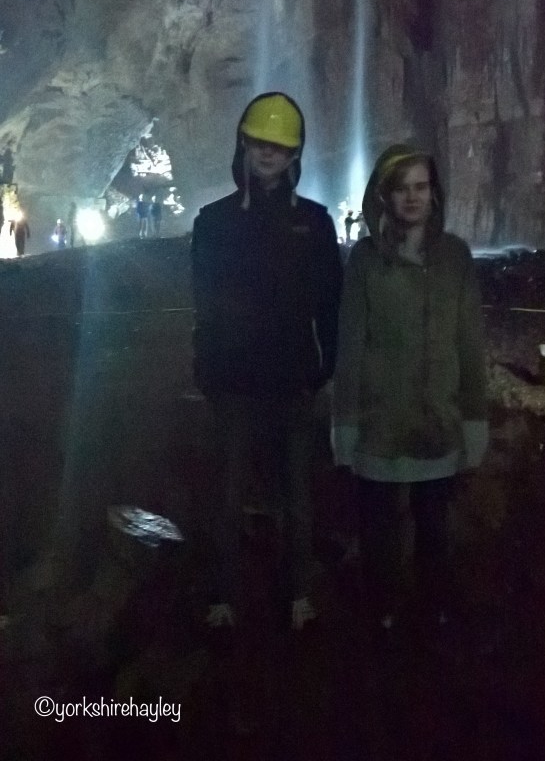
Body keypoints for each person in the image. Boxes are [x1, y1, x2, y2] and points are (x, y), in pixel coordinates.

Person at [191, 92, 343, 631]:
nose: (269, 152)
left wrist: (323, 368)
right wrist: (207, 368)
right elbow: (203, 303)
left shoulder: (316, 225)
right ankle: (222, 597)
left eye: (279, 145)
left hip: (292, 380)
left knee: (297, 494)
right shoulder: (214, 223)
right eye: (260, 142)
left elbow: (330, 305)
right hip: (234, 381)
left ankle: (299, 593)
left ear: (294, 153)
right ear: (244, 144)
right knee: (229, 494)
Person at [332, 144, 488, 632]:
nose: (412, 197)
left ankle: (433, 613)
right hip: (380, 420)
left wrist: (474, 416)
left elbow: (469, 343)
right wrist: (345, 421)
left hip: (437, 418)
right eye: (401, 188)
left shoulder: (456, 257)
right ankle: (383, 615)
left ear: (434, 193)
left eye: (421, 187)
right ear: (384, 196)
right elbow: (350, 344)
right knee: (377, 529)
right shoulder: (364, 260)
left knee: (434, 527)